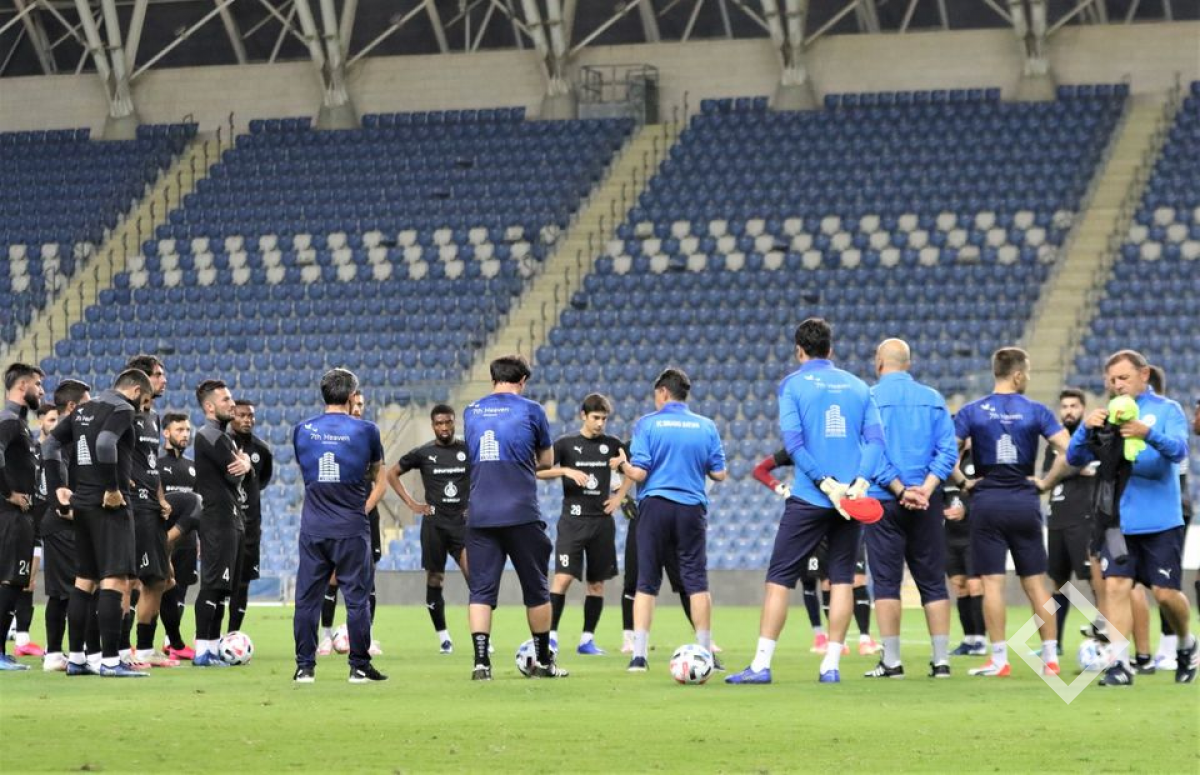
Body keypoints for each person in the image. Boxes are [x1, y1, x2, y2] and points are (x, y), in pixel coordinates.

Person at [727, 318, 892, 685]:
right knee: (843, 580)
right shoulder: (859, 386)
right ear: (830, 350)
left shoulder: (792, 384)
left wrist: (823, 482)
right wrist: (859, 482)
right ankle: (830, 666)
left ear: (799, 351)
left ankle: (761, 665)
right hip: (850, 500)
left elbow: (794, 444)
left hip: (809, 497)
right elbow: (877, 441)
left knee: (779, 579)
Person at [1068, 350, 1195, 686]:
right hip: (1118, 521)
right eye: (1112, 380)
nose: (1117, 385)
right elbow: (1074, 457)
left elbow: (1180, 451)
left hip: (1161, 520)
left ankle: (1187, 643)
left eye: (1123, 377)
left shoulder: (1167, 410)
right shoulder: (1107, 416)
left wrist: (1147, 433)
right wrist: (1084, 430)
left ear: (1144, 374)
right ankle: (1120, 665)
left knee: (1165, 594)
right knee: (1116, 586)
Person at [954, 347, 1068, 678]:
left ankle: (999, 660)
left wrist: (964, 482)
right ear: (1017, 375)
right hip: (1024, 501)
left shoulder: (972, 411)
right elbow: (1068, 450)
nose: (1027, 377)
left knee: (992, 584)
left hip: (987, 502)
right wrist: (1045, 482)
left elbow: (946, 454)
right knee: (1036, 584)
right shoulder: (1036, 410)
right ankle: (1051, 659)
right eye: (1027, 372)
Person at [44, 368, 153, 678]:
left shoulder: (82, 411)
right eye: (144, 400)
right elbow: (106, 443)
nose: (142, 407)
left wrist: (57, 489)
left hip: (82, 503)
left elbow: (49, 446)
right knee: (115, 580)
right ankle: (110, 661)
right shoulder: (122, 408)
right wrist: (112, 489)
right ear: (135, 391)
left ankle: (77, 659)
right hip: (110, 507)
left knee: (85, 580)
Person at [462, 354, 565, 681]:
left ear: (493, 379)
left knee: (481, 592)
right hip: (521, 512)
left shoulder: (471, 411)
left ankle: (481, 664)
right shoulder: (532, 410)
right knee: (537, 590)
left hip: (480, 512)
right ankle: (544, 661)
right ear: (522, 381)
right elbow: (546, 460)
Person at [862, 338, 958, 679]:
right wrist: (926, 489)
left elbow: (868, 452)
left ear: (879, 363)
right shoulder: (933, 399)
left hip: (883, 500)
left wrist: (900, 489)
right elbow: (948, 451)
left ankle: (892, 662)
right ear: (909, 364)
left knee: (886, 582)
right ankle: (942, 661)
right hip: (927, 502)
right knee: (933, 582)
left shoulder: (869, 399)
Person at [622, 367, 727, 673]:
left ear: (663, 392)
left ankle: (639, 656)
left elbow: (639, 472)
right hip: (691, 508)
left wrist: (623, 465)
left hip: (655, 506)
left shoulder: (647, 424)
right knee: (696, 582)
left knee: (646, 582)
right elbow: (719, 473)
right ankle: (706, 652)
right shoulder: (706, 426)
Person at [292, 369, 386, 684]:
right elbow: (375, 473)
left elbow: (308, 471)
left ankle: (305, 667)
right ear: (351, 396)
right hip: (351, 526)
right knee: (357, 599)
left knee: (307, 600)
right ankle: (359, 666)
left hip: (314, 526)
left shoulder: (302, 430)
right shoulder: (367, 430)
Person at [751, 449, 878, 656]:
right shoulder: (799, 450)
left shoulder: (843, 446)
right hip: (814, 516)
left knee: (854, 579)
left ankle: (863, 638)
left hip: (844, 513)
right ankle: (827, 640)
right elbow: (760, 470)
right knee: (825, 581)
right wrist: (781, 488)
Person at [538, 394, 625, 656]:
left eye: (604, 419)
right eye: (596, 417)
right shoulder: (566, 444)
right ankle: (551, 637)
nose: (600, 423)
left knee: (597, 584)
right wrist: (565, 471)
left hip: (601, 523)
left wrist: (619, 497)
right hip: (572, 521)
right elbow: (537, 470)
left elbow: (633, 470)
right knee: (562, 578)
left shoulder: (612, 444)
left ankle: (587, 640)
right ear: (583, 416)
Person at [387, 403, 469, 654]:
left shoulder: (468, 450)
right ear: (433, 426)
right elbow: (392, 474)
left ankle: (481, 635)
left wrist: (476, 504)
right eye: (439, 423)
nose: (444, 427)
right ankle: (444, 638)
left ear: (454, 422)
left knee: (476, 578)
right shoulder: (423, 453)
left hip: (462, 523)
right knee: (435, 578)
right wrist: (411, 503)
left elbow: (486, 476)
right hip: (434, 524)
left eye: (448, 422)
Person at [192, 379, 252, 667]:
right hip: (217, 519)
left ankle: (214, 649)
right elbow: (234, 474)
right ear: (209, 406)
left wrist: (246, 463)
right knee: (213, 585)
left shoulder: (225, 438)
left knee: (223, 589)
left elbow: (240, 472)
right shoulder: (210, 436)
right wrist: (245, 464)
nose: (232, 403)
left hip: (231, 517)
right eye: (226, 399)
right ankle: (202, 650)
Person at [122, 355, 176, 669]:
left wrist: (161, 497)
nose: (163, 380)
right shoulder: (123, 414)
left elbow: (150, 464)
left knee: (158, 578)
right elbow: (113, 454)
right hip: (133, 506)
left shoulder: (153, 417)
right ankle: (119, 650)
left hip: (152, 506)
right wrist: (123, 483)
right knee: (129, 580)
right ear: (141, 379)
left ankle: (144, 649)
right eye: (157, 375)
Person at [38, 382, 91, 671]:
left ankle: (57, 653)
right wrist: (67, 508)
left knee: (63, 593)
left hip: (64, 525)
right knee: (70, 591)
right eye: (87, 403)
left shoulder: (72, 438)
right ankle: (65, 653)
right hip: (62, 524)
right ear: (72, 407)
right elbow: (57, 488)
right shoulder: (61, 440)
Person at [1041, 388, 1099, 651]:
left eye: (1074, 406)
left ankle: (1104, 635)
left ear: (1083, 409)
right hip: (1057, 518)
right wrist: (1072, 467)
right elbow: (1047, 476)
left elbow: (1092, 470)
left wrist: (1064, 468)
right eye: (1064, 406)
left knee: (1094, 578)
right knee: (1057, 582)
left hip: (1083, 518)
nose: (1069, 411)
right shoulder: (1053, 443)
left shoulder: (1092, 438)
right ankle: (1054, 643)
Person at [0, 363, 45, 672]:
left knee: (15, 582)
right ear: (22, 386)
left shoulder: (20, 423)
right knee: (9, 581)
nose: (41, 391)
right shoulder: (8, 421)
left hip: (20, 517)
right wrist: (9, 493)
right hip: (10, 516)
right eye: (37, 385)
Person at [1146, 366, 1192, 671]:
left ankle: (1171, 646)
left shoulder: (1169, 420)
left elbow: (1174, 466)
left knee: (1165, 584)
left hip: (1171, 510)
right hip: (1146, 510)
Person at [228, 399, 273, 634]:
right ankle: (209, 635)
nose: (248, 420)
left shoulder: (262, 449)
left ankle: (232, 634)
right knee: (219, 582)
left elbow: (262, 481)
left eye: (251, 416)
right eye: (242, 415)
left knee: (243, 583)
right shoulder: (220, 444)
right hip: (224, 521)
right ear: (232, 416)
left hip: (250, 524)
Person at [157, 412, 197, 660]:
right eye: (179, 430)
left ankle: (171, 642)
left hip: (188, 541)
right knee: (151, 588)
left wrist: (198, 539)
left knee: (180, 591)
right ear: (166, 433)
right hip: (162, 539)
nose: (185, 434)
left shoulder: (193, 467)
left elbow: (197, 509)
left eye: (187, 430)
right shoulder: (156, 465)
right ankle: (135, 645)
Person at [350, 389, 386, 656]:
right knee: (331, 576)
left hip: (365, 515)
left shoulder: (370, 436)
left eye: (361, 404)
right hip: (338, 515)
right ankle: (325, 636)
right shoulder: (331, 435)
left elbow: (380, 479)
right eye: (354, 404)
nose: (357, 408)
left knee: (368, 575)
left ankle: (368, 636)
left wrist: (365, 508)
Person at [943, 445, 986, 656]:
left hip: (973, 536)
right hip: (949, 538)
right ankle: (968, 639)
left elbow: (984, 495)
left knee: (975, 586)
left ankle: (981, 640)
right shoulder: (944, 465)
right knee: (960, 587)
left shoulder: (979, 461)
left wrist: (966, 511)